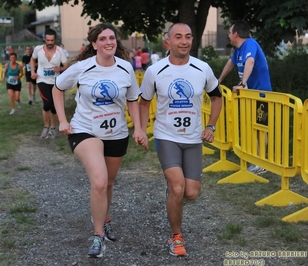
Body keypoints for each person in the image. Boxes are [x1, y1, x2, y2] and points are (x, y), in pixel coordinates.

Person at [52, 22, 148, 258]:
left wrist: (139, 128)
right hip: (85, 130)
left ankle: (104, 218)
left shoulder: (126, 68)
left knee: (109, 183)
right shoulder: (83, 67)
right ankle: (98, 236)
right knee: (99, 180)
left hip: (116, 133)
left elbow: (133, 99)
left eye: (112, 38)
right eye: (103, 39)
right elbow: (57, 88)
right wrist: (62, 121)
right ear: (94, 44)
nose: (109, 42)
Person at [139, 23, 222, 257]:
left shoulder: (202, 68)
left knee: (191, 192)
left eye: (188, 37)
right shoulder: (155, 71)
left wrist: (210, 126)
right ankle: (176, 237)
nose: (184, 41)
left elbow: (217, 97)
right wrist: (142, 130)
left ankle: (173, 193)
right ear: (168, 41)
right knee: (177, 186)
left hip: (194, 138)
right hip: (166, 137)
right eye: (178, 37)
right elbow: (144, 102)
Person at [218, 20, 272, 175]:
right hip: (250, 94)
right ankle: (255, 160)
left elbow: (250, 61)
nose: (228, 35)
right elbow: (230, 64)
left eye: (229, 32)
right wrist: (219, 80)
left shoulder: (250, 44)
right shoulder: (239, 50)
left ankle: (261, 163)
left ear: (236, 34)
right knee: (252, 127)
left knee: (260, 128)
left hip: (261, 93)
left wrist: (241, 83)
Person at [31, 28, 69, 138]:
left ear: (55, 40)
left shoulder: (60, 51)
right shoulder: (38, 49)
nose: (49, 43)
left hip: (56, 82)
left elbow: (66, 65)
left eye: (52, 40)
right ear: (45, 39)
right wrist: (33, 71)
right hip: (42, 80)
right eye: (47, 40)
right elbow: (32, 60)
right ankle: (45, 127)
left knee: (54, 106)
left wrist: (60, 69)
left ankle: (53, 128)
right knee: (47, 104)